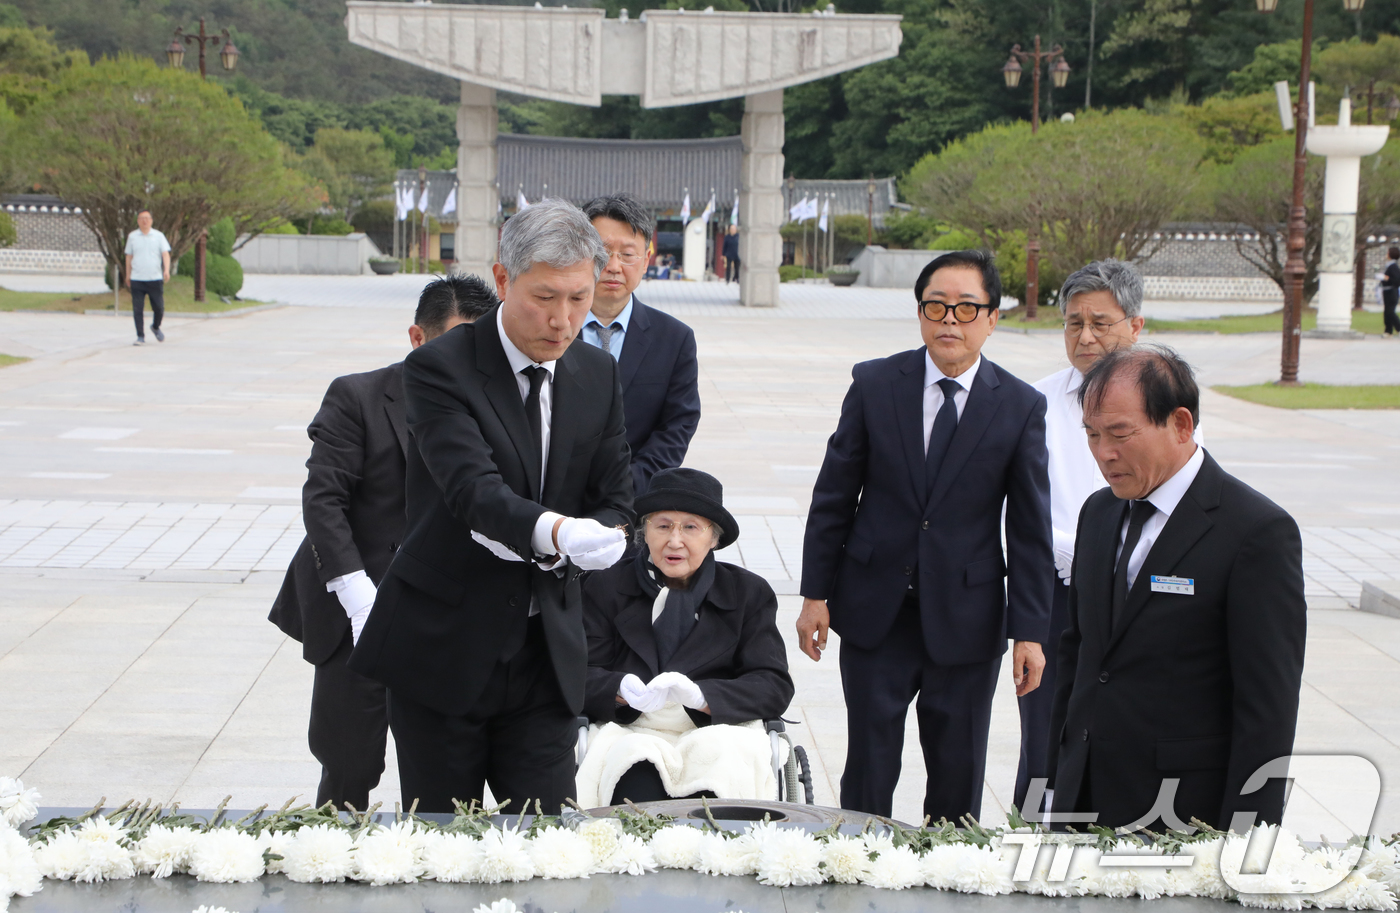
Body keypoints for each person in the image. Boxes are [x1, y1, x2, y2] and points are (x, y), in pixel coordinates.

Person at [349, 200, 635, 816]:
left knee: (545, 842)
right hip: (443, 647)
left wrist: (614, 531)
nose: (563, 321)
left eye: (580, 299)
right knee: (442, 843)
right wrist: (559, 533)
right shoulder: (438, 368)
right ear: (504, 281)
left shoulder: (597, 373)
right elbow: (471, 491)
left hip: (545, 651)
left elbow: (616, 489)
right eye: (545, 297)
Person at [798, 249, 1054, 822]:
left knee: (958, 768)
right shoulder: (875, 383)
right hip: (873, 612)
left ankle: (949, 873)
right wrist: (815, 594)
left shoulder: (1018, 406)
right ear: (919, 314)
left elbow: (1031, 528)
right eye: (936, 306)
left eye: (966, 309)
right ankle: (858, 865)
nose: (949, 321)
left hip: (968, 617)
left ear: (993, 318)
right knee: (869, 762)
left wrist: (1029, 632)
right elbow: (834, 495)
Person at [1047, 345, 1305, 832]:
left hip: (1183, 812)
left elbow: (1267, 708)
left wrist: (1246, 842)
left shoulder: (1255, 531)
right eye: (1093, 434)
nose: (1104, 453)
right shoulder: (1098, 514)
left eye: (1121, 433)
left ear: (1181, 425)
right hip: (1081, 799)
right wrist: (1055, 781)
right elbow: (1078, 653)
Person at [268, 274, 499, 812]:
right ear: (418, 338)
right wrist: (357, 596)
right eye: (458, 341)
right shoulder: (359, 396)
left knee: (445, 769)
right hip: (360, 600)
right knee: (349, 761)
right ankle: (331, 858)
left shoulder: (495, 408)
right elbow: (324, 502)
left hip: (448, 613)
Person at [1017, 259, 1154, 815]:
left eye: (1102, 322)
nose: (1086, 335)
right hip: (1052, 588)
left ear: (1136, 327)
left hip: (1137, 588)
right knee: (1045, 722)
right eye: (1074, 322)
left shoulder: (1164, 398)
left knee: (1125, 719)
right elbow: (1019, 502)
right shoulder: (1033, 402)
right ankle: (1030, 835)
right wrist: (1068, 549)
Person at [577, 467, 794, 807]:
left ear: (714, 538)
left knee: (720, 765)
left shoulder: (749, 593)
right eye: (662, 526)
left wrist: (702, 695)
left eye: (691, 527)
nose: (674, 541)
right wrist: (619, 690)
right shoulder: (605, 587)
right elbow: (579, 675)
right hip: (631, 728)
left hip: (718, 728)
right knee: (633, 765)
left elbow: (772, 684)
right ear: (643, 533)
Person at [581, 194, 701, 495]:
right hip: (553, 505)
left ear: (646, 260)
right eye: (602, 252)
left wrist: (628, 487)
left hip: (635, 504)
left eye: (627, 254)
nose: (613, 265)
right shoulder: (550, 329)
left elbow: (677, 426)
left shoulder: (675, 339)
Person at [124, 210, 171, 346]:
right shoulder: (132, 237)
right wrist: (128, 274)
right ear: (138, 220)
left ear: (151, 220)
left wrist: (166, 270)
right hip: (137, 278)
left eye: (147, 218)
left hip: (154, 278)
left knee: (159, 307)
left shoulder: (158, 236)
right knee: (137, 308)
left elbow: (165, 254)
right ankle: (140, 336)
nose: (144, 221)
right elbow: (129, 257)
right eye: (141, 218)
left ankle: (155, 326)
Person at [1383, 246, 1400, 337]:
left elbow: (1396, 280)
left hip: (1392, 292)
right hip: (1387, 291)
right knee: (1387, 312)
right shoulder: (1389, 265)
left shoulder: (1393, 267)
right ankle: (1388, 330)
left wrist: (1386, 278)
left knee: (1390, 312)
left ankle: (1398, 327)